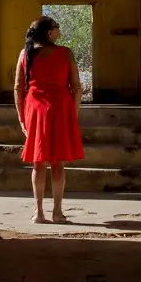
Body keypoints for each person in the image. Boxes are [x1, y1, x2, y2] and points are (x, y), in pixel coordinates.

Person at [15, 15, 85, 224]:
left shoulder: (25, 54)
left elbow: (19, 88)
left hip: (35, 108)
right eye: (57, 27)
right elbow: (77, 88)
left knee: (39, 162)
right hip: (60, 108)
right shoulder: (65, 53)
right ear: (49, 32)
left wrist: (21, 118)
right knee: (58, 163)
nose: (59, 30)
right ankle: (57, 212)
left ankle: (38, 213)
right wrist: (73, 113)